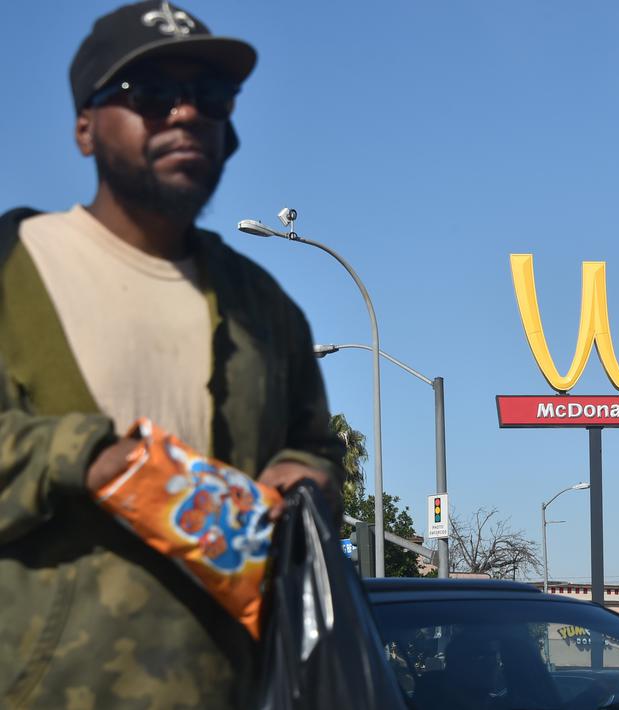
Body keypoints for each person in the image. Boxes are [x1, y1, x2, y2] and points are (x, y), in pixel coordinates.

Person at [0, 2, 345, 707]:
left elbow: (317, 447)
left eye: (211, 97)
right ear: (85, 128)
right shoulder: (12, 270)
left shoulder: (266, 309)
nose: (186, 114)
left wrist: (305, 479)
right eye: (151, 95)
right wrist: (83, 455)